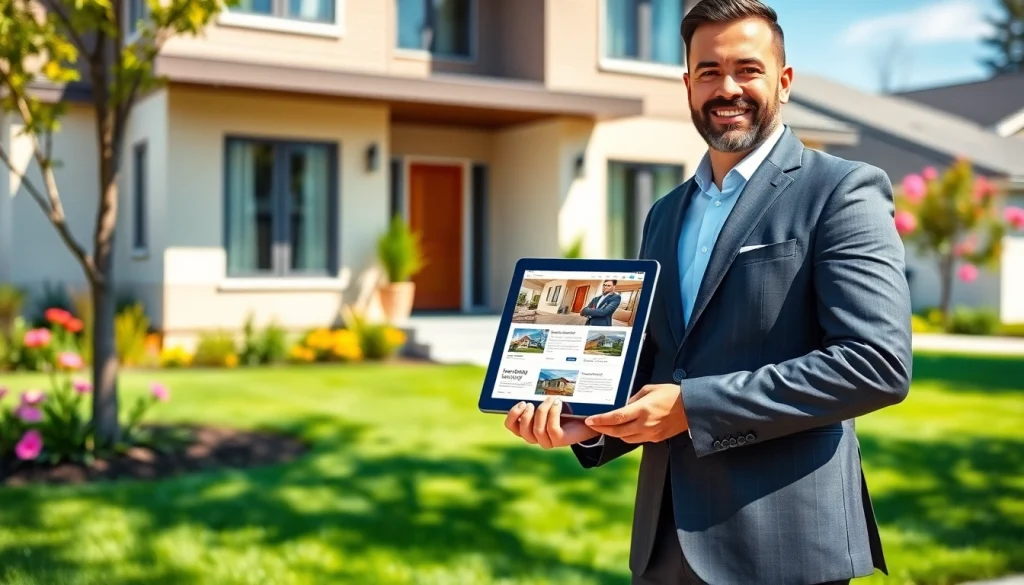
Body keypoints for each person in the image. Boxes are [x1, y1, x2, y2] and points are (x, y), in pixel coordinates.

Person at [502, 0, 912, 583]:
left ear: (784, 81)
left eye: (748, 69)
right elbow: (660, 358)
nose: (728, 88)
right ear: (688, 84)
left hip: (783, 542)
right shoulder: (664, 214)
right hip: (665, 540)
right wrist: (586, 418)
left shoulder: (841, 191)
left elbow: (874, 364)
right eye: (709, 72)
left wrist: (692, 408)